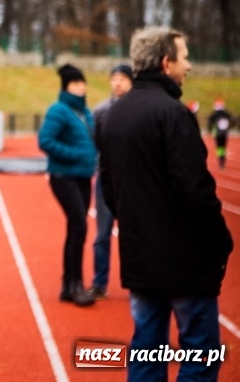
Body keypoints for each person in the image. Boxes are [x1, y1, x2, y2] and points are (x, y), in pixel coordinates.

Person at [99, 27, 233, 381]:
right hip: (185, 262)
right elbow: (195, 190)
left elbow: (110, 189)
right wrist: (221, 241)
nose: (188, 65)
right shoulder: (174, 115)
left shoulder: (115, 114)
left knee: (146, 350)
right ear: (165, 62)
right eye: (184, 56)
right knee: (201, 355)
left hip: (140, 257)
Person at [38, 64, 97, 307]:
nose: (81, 86)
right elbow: (45, 141)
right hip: (63, 177)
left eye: (82, 82)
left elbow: (92, 141)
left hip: (84, 177)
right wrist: (76, 154)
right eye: (75, 83)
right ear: (66, 86)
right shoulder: (58, 111)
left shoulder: (87, 113)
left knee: (76, 229)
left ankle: (68, 286)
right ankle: (75, 285)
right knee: (80, 227)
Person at [88, 64, 132, 299]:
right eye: (114, 78)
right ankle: (99, 282)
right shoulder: (101, 111)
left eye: (123, 78)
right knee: (102, 234)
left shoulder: (139, 111)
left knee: (133, 233)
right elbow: (93, 143)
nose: (118, 83)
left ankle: (136, 282)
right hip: (105, 181)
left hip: (132, 183)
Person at [207, 99, 236, 170]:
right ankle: (222, 159)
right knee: (223, 146)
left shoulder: (214, 115)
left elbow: (210, 123)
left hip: (217, 133)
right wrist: (230, 127)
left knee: (219, 147)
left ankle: (221, 160)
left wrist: (210, 130)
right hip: (225, 133)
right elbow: (234, 121)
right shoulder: (226, 114)